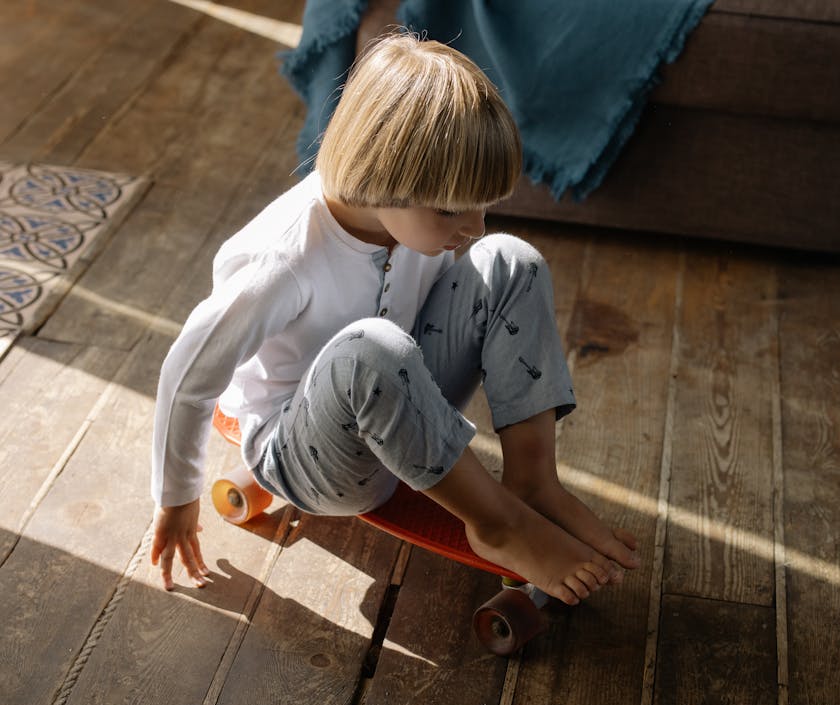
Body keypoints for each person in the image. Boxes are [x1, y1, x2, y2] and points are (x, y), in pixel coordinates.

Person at [149, 33, 640, 606]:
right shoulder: (281, 262)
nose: (473, 226)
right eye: (454, 211)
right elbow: (186, 374)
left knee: (510, 260)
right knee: (371, 346)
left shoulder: (409, 217)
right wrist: (177, 495)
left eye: (482, 204)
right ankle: (497, 525)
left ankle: (531, 481)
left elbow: (460, 270)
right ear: (386, 179)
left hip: (399, 401)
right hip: (306, 457)